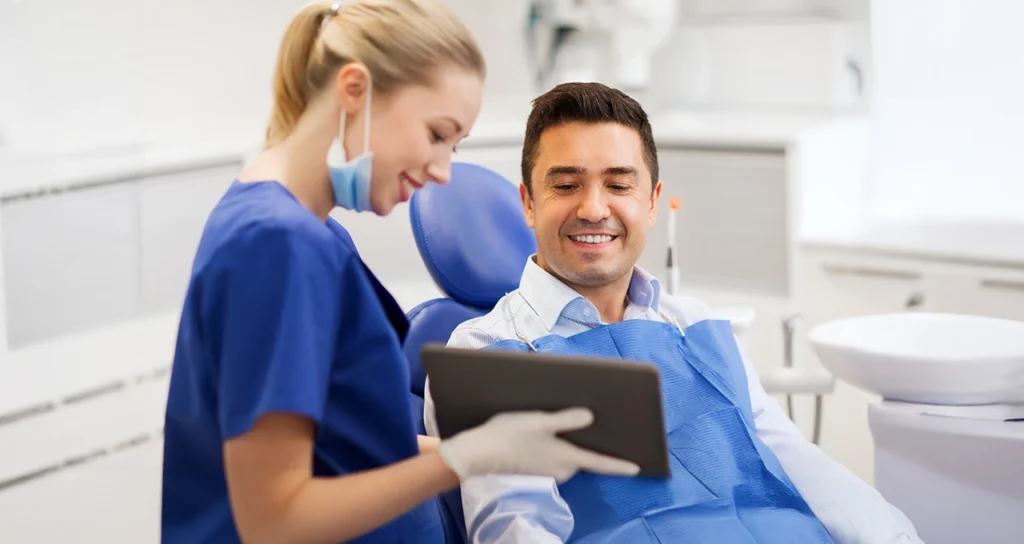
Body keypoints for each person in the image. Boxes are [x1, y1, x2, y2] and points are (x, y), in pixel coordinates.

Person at [160, 3, 640, 543]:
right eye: (437, 134)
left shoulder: (304, 232)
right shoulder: (279, 245)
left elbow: (341, 443)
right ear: (354, 91)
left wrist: (502, 448)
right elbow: (274, 521)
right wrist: (458, 459)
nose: (442, 171)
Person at [423, 82, 923, 543]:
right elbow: (515, 527)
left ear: (652, 202)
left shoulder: (696, 323)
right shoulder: (488, 352)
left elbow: (797, 462)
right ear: (529, 203)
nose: (594, 209)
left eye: (619, 185)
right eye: (567, 185)